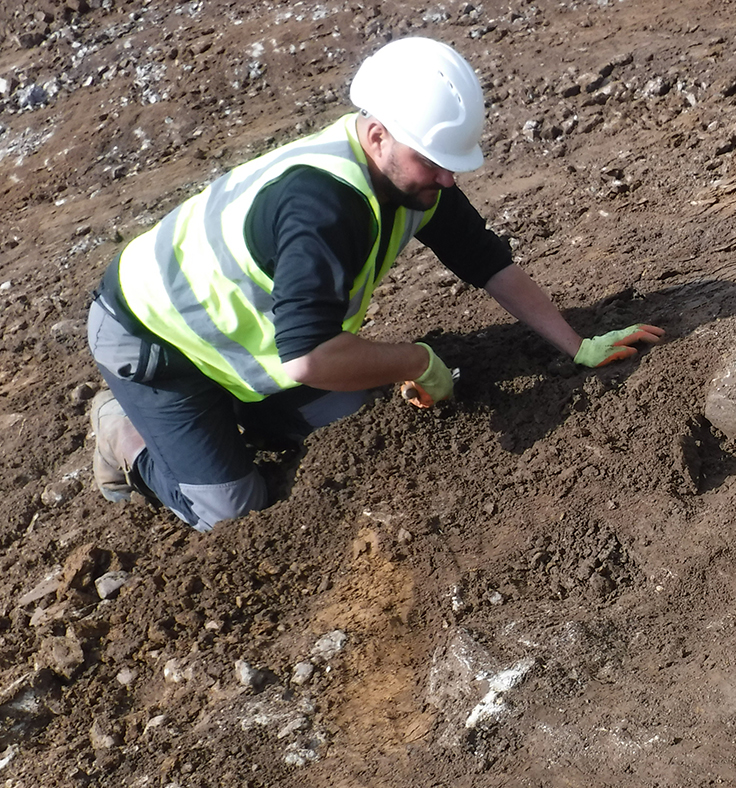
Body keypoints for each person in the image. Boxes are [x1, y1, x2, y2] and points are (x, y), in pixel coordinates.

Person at [87, 36, 663, 532]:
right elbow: (311, 358)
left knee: (353, 414)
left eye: (450, 159)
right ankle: (121, 429)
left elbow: (490, 264)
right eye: (432, 159)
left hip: (239, 339)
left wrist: (577, 345)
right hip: (152, 340)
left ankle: (228, 422)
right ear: (379, 134)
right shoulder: (324, 207)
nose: (447, 175)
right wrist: (417, 361)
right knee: (232, 511)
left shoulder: (418, 184)